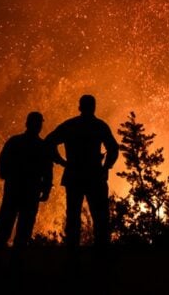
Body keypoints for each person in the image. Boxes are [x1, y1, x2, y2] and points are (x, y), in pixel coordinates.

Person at [46, 94, 119, 249]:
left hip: (74, 176)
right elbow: (113, 148)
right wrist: (106, 167)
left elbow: (49, 141)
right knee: (100, 217)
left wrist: (61, 161)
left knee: (73, 217)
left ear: (80, 107)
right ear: (94, 107)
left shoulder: (70, 125)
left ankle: (72, 254)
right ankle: (101, 253)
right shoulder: (99, 126)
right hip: (95, 176)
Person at [0, 111, 53, 248]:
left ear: (26, 123)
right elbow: (47, 171)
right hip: (31, 191)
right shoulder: (42, 146)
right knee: (24, 228)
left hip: (14, 189)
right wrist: (46, 189)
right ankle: (17, 262)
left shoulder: (15, 142)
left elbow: (2, 164)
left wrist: (8, 177)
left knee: (5, 224)